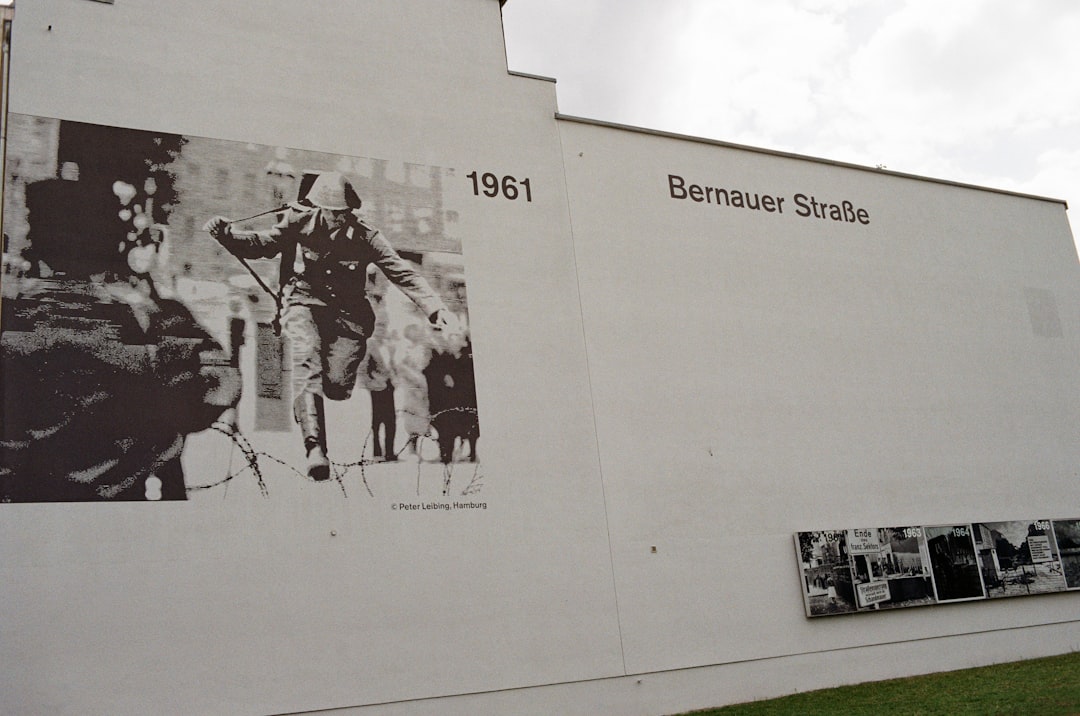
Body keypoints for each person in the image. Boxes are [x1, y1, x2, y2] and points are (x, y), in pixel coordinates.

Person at [1, 177, 241, 501]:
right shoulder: (149, 318)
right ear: (112, 241)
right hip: (122, 502)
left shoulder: (13, 315)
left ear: (37, 240)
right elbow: (219, 385)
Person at [204, 171, 451, 480]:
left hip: (349, 317)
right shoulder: (298, 220)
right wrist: (228, 235)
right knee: (306, 364)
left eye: (342, 213)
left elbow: (401, 272)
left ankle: (324, 406)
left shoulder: (365, 235)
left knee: (335, 387)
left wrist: (434, 307)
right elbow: (264, 244)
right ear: (318, 207)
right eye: (331, 212)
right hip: (304, 302)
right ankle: (315, 449)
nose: (336, 219)